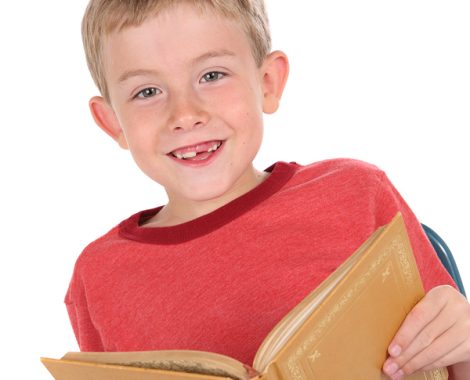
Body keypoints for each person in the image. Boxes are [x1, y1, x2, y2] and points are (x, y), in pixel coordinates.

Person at [66, 1, 470, 379]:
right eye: (147, 92)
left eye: (212, 76)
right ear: (112, 122)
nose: (185, 115)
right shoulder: (97, 276)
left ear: (268, 82)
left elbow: (450, 359)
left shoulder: (355, 193)